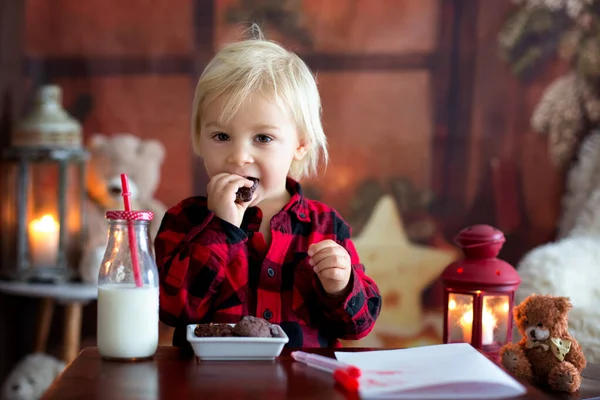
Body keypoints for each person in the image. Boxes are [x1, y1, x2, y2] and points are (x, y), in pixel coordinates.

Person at [155, 26, 381, 347]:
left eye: (262, 138)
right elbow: (170, 310)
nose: (239, 157)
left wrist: (341, 286)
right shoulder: (185, 220)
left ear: (300, 144)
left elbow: (359, 326)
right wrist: (220, 229)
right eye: (221, 137)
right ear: (200, 140)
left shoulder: (326, 227)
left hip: (303, 389)